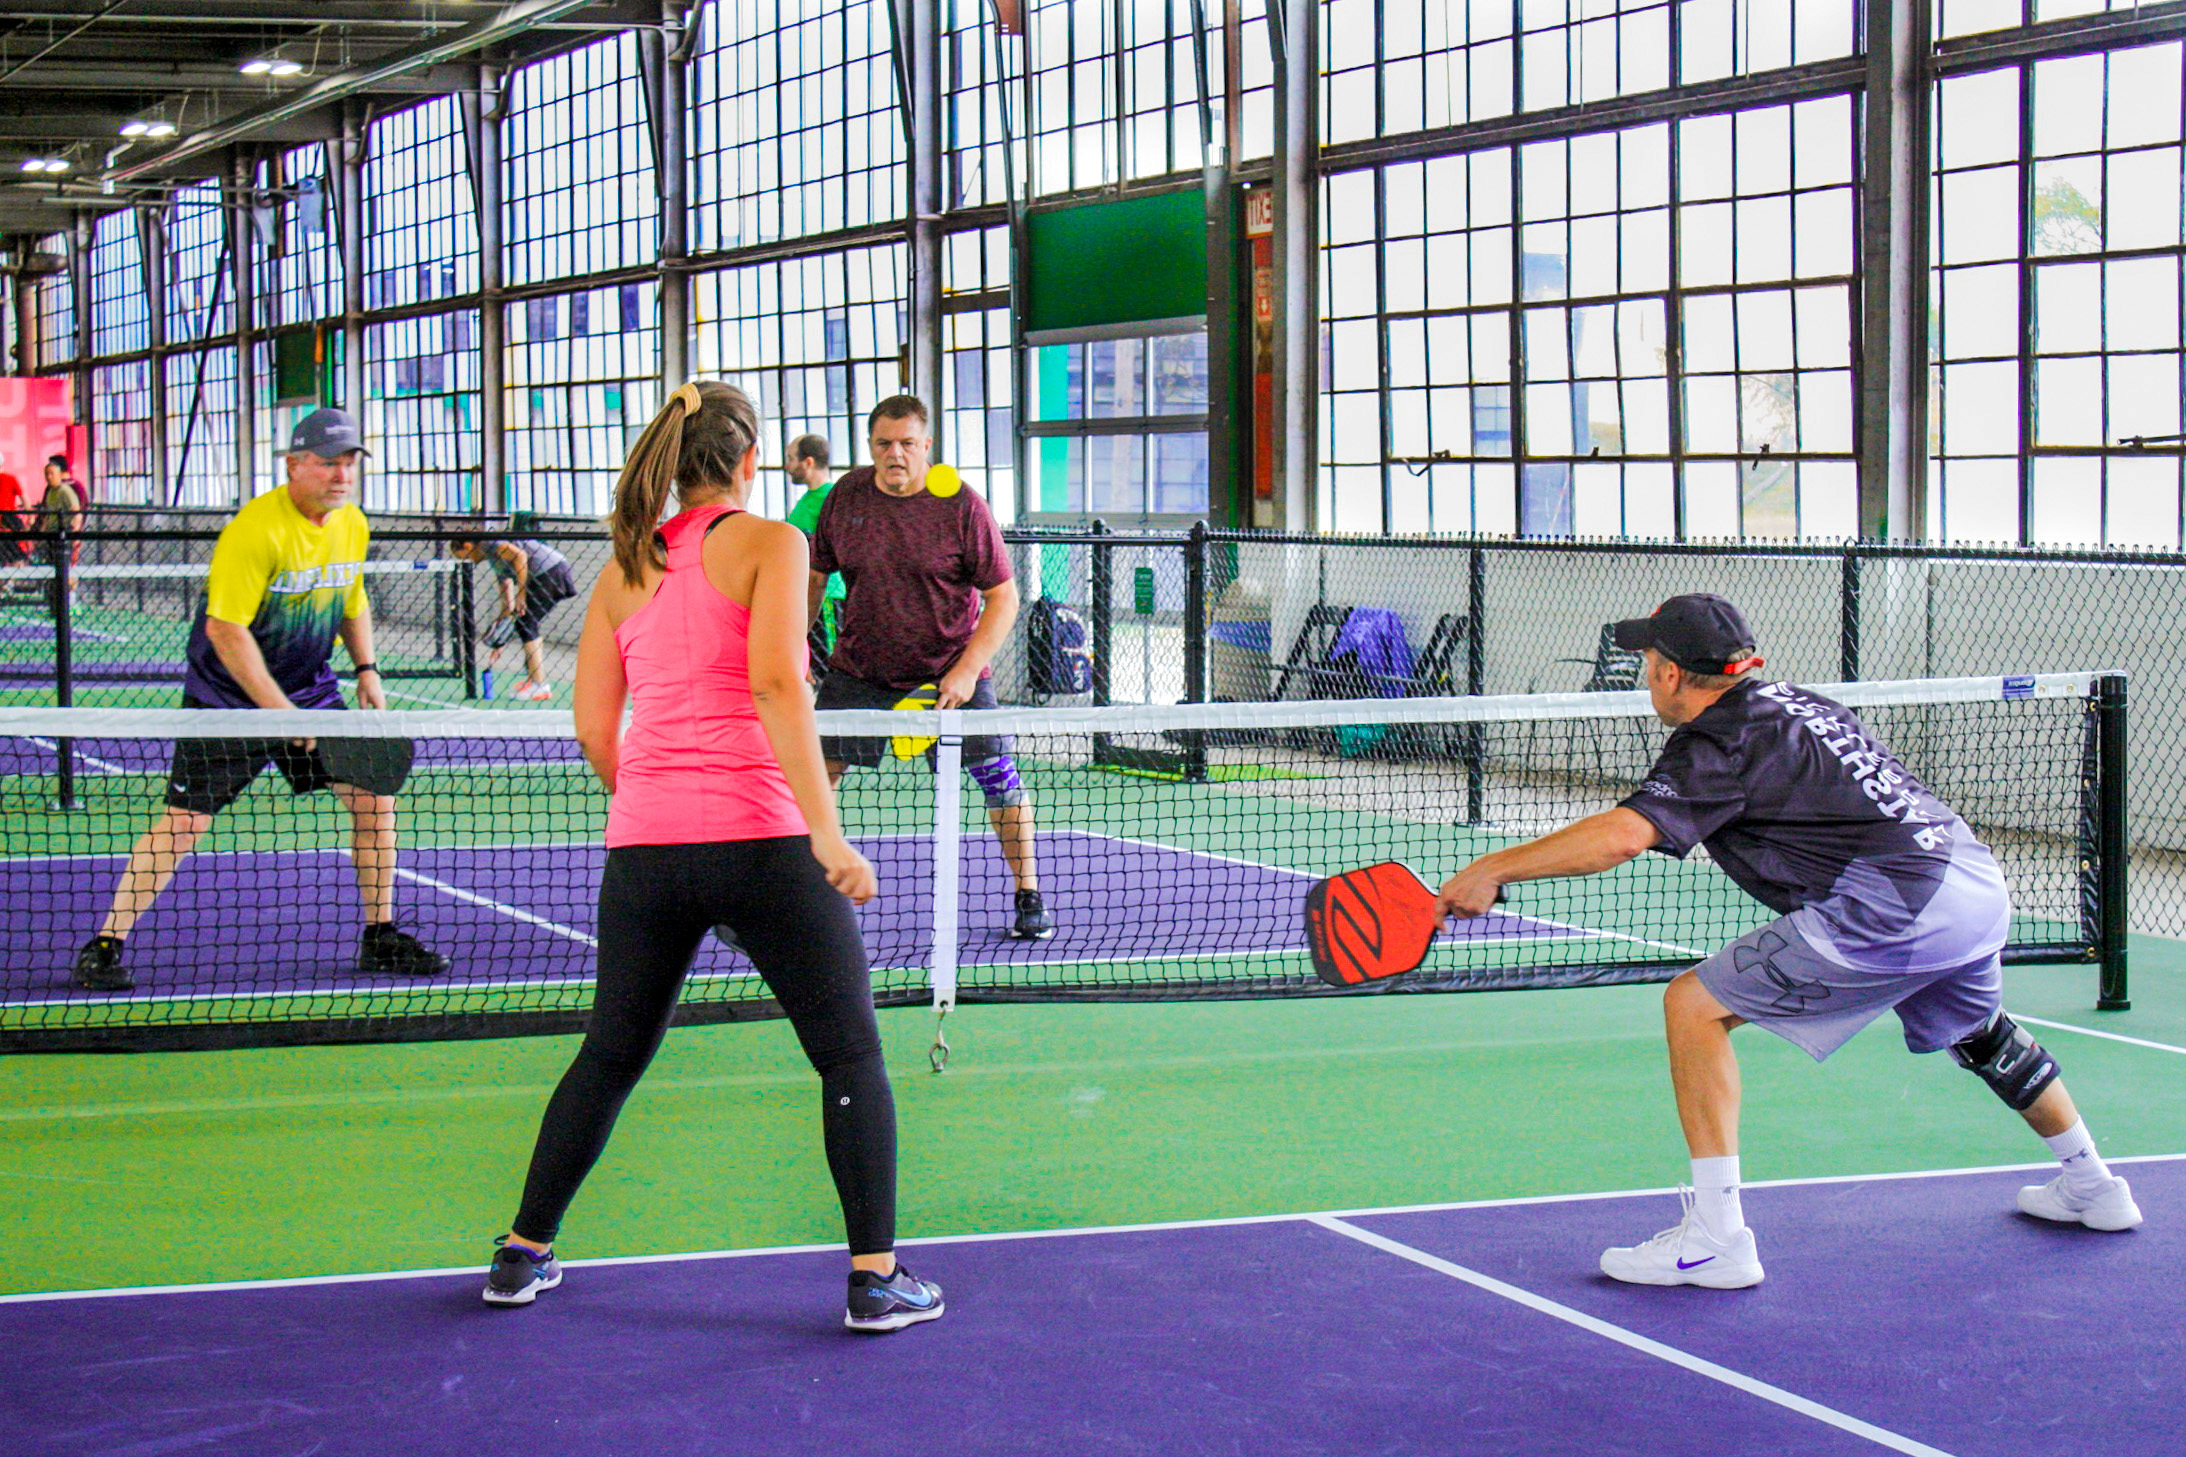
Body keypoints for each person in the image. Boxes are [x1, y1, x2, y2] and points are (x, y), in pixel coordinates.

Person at [1436, 594, 2141, 1290]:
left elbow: (1625, 834)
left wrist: (1493, 866)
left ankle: (1716, 1239)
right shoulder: (1797, 703)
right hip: (1972, 878)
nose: (1644, 671)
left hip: (1899, 898)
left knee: (1693, 1006)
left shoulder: (1717, 743)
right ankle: (2094, 1185)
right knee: (1981, 1033)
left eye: (1648, 658)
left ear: (1673, 674)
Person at [483, 381, 943, 1334]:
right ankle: (874, 1277)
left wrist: (651, 802)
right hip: (765, 841)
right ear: (747, 463)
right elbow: (778, 683)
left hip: (645, 851)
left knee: (610, 1053)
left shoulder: (622, 570)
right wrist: (824, 830)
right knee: (849, 1050)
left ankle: (521, 1253)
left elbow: (592, 724)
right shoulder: (777, 542)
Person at [71, 409, 449, 991]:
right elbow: (225, 631)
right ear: (294, 465)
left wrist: (367, 668)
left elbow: (351, 598)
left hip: (310, 693)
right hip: (228, 701)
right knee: (182, 826)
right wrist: (278, 711)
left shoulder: (351, 523)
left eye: (349, 462)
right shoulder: (255, 530)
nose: (341, 474)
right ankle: (105, 943)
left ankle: (381, 935)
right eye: (328, 463)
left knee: (374, 803)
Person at [809, 395, 1051, 940]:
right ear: (870, 446)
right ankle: (800, 895)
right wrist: (796, 647)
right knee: (813, 776)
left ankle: (1028, 892)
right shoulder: (846, 497)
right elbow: (815, 579)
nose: (894, 454)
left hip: (949, 670)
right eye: (882, 444)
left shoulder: (962, 505)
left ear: (927, 446)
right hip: (860, 670)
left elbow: (1004, 598)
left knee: (999, 779)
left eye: (906, 444)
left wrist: (966, 671)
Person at [449, 534, 578, 700]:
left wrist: (522, 594)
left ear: (467, 546)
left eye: (463, 556)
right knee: (525, 623)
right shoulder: (493, 560)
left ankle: (540, 685)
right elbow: (507, 603)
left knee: (527, 623)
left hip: (551, 571)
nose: (467, 561)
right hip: (546, 574)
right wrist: (500, 640)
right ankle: (534, 680)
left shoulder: (491, 544)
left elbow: (520, 556)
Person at [782, 432, 844, 661]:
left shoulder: (832, 497)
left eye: (790, 459)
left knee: (830, 664)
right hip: (804, 594)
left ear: (808, 462)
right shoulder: (807, 499)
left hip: (827, 596)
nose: (787, 466)